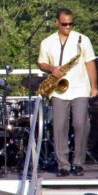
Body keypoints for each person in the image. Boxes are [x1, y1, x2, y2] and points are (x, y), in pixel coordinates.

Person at [38, 8, 97, 177]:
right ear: (57, 22)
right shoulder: (47, 42)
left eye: (71, 24)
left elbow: (90, 63)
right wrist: (52, 68)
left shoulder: (83, 40)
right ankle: (63, 164)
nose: (68, 27)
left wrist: (94, 87)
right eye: (64, 24)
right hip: (58, 90)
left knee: (81, 124)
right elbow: (41, 63)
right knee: (59, 127)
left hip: (80, 88)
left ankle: (78, 163)